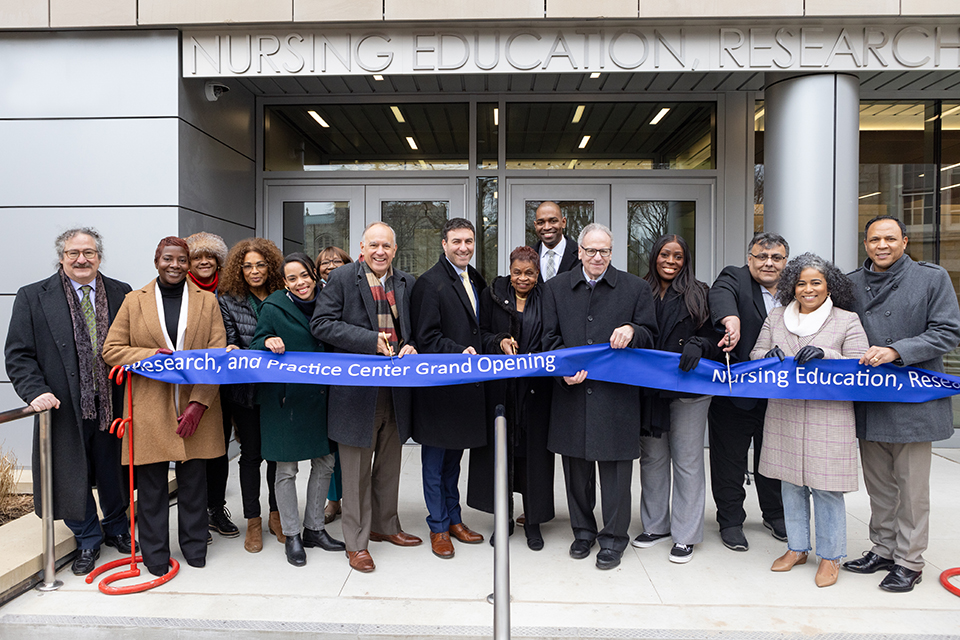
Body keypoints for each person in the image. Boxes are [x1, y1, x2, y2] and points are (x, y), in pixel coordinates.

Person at [5, 228, 133, 576]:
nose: (82, 259)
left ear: (99, 257)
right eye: (74, 253)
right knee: (70, 473)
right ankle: (88, 539)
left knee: (113, 471)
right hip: (63, 407)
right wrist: (35, 392)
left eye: (89, 253)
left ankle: (118, 528)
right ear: (61, 257)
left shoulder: (122, 293)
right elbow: (19, 354)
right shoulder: (34, 296)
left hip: (112, 403)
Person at [843, 216, 960, 593]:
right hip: (870, 400)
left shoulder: (932, 277)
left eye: (890, 239)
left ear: (905, 241)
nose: (882, 245)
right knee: (879, 487)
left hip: (913, 401)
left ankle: (909, 561)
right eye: (874, 239)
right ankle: (883, 548)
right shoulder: (850, 283)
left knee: (911, 490)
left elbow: (948, 331)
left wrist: (897, 350)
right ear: (865, 244)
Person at [102, 236, 226, 576]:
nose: (175, 265)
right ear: (157, 261)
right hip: (148, 407)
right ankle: (155, 554)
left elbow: (217, 356)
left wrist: (200, 403)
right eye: (167, 259)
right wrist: (149, 357)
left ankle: (195, 548)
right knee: (153, 487)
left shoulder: (207, 301)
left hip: (195, 404)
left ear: (189, 264)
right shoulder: (133, 301)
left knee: (193, 484)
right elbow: (111, 350)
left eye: (181, 260)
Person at [541, 223, 657, 570]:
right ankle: (582, 533)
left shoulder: (636, 289)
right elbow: (548, 339)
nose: (596, 257)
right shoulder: (556, 288)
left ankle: (613, 539)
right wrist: (563, 372)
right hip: (572, 395)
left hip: (616, 399)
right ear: (579, 252)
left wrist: (633, 330)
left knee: (617, 475)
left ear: (612, 252)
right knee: (576, 472)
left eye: (603, 251)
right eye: (590, 250)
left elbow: (652, 336)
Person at [750, 253, 868, 588]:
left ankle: (831, 557)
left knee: (827, 488)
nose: (808, 288)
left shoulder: (846, 320)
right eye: (801, 283)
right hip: (785, 413)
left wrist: (827, 354)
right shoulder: (776, 317)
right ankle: (797, 549)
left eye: (815, 282)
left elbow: (861, 363)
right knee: (790, 484)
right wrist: (767, 357)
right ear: (792, 287)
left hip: (828, 415)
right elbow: (755, 355)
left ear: (829, 285)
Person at [311, 221, 422, 573]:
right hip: (355, 392)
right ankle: (356, 542)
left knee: (389, 465)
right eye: (373, 245)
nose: (380, 252)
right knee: (356, 471)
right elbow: (322, 324)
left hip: (395, 390)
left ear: (394, 250)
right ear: (361, 247)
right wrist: (368, 341)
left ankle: (384, 526)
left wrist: (411, 345)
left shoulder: (406, 282)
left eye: (386, 246)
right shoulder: (344, 278)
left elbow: (413, 329)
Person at [250, 253, 345, 566]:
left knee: (326, 461)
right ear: (284, 282)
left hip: (321, 398)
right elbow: (256, 342)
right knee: (286, 469)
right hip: (285, 401)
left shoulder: (330, 301)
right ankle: (291, 535)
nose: (301, 283)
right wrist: (268, 341)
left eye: (304, 275)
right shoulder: (273, 306)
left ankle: (314, 529)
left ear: (314, 274)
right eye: (292, 278)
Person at [635, 234, 723, 565]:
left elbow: (717, 336)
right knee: (653, 460)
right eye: (665, 255)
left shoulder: (701, 292)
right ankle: (655, 525)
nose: (671, 261)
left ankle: (685, 535)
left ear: (686, 260)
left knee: (687, 461)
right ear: (654, 256)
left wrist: (700, 343)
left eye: (678, 256)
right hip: (649, 391)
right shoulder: (639, 289)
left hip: (690, 390)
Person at [468, 246, 555, 551]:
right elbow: (480, 334)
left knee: (533, 457)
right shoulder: (492, 296)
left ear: (537, 273)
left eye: (529, 273)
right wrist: (499, 340)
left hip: (535, 392)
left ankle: (532, 522)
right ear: (509, 270)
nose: (522, 278)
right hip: (501, 391)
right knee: (500, 454)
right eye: (517, 272)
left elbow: (553, 335)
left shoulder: (548, 298)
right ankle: (502, 519)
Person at [411, 217, 488, 559]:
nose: (463, 248)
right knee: (434, 463)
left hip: (465, 390)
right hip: (439, 391)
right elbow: (426, 338)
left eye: (468, 241)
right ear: (444, 244)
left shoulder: (475, 278)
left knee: (454, 463)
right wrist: (459, 352)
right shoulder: (429, 283)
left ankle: (455, 519)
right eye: (456, 241)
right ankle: (438, 526)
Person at [707, 231, 789, 552]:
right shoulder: (735, 278)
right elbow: (721, 295)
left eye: (776, 258)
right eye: (762, 256)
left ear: (785, 262)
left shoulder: (797, 288)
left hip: (781, 394)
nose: (769, 263)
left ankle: (775, 514)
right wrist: (731, 321)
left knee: (774, 458)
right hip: (736, 392)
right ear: (749, 259)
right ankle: (730, 520)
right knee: (730, 460)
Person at [218, 237, 285, 553]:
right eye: (247, 266)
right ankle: (253, 521)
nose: (254, 271)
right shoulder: (228, 300)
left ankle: (276, 514)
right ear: (238, 270)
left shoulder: (284, 295)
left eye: (260, 264)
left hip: (278, 391)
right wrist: (235, 349)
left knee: (277, 454)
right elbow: (231, 341)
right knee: (251, 456)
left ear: (270, 266)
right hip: (245, 392)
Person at [184, 231, 239, 541]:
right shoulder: (180, 290)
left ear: (219, 260)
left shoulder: (231, 289)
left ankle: (216, 509)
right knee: (195, 450)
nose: (204, 261)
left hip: (228, 383)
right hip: (193, 382)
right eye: (197, 256)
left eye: (210, 256)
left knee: (219, 448)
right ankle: (196, 515)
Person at [314, 245, 353, 525]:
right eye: (324, 262)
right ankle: (333, 500)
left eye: (336, 261)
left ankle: (352, 498)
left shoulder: (352, 288)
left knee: (347, 445)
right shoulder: (310, 293)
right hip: (317, 378)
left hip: (347, 377)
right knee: (326, 446)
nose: (330, 265)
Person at [533, 201, 580, 283]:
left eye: (553, 221)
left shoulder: (581, 255)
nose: (547, 227)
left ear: (563, 222)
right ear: (535, 225)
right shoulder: (527, 256)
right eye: (541, 223)